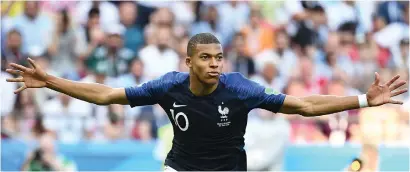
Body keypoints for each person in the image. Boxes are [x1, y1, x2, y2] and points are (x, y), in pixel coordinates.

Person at [5, 33, 408, 171]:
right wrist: (52, 81)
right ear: (189, 61)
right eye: (205, 58)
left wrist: (362, 100)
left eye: (218, 58)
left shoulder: (240, 89)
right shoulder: (169, 86)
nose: (214, 64)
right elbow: (106, 95)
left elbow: (303, 106)